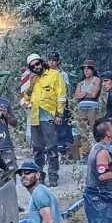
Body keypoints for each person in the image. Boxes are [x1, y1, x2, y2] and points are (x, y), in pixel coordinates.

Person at [25, 53, 67, 187]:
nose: (36, 67)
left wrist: (59, 114)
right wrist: (26, 101)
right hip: (35, 117)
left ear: (42, 62)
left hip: (49, 116)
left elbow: (61, 95)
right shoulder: (33, 79)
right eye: (32, 67)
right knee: (37, 148)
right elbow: (25, 95)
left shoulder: (55, 75)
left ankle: (53, 176)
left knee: (51, 147)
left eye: (37, 64)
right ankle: (40, 176)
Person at [48, 51, 74, 154]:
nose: (52, 62)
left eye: (54, 60)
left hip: (61, 102)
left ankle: (63, 149)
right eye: (50, 60)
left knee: (62, 125)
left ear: (58, 62)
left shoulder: (63, 74)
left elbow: (66, 89)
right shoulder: (45, 74)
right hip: (49, 103)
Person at [73, 59, 102, 150]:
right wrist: (86, 93)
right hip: (81, 108)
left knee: (93, 130)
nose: (86, 70)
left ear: (93, 70)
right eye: (84, 69)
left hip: (93, 108)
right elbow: (76, 95)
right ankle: (85, 151)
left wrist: (83, 93)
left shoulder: (96, 80)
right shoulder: (81, 82)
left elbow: (94, 94)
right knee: (83, 131)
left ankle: (95, 149)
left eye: (88, 68)